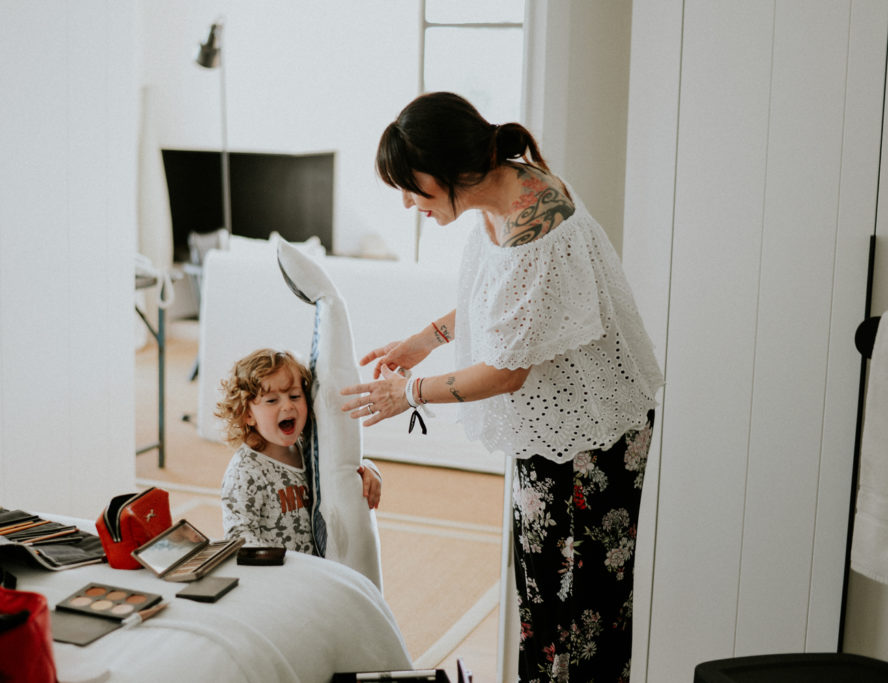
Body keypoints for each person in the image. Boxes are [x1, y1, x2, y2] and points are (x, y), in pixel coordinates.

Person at [340, 92, 664, 682]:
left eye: (413, 187)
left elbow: (506, 370)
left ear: (452, 171)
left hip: (594, 430)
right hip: (555, 422)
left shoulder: (537, 227)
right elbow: (505, 305)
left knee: (584, 609)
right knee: (541, 595)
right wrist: (424, 339)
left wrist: (406, 394)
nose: (410, 202)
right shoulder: (506, 190)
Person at [216, 348, 382, 553]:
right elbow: (238, 537)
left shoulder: (310, 447)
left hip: (321, 570)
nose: (287, 406)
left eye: (294, 396)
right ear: (248, 414)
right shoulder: (244, 472)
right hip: (282, 576)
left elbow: (343, 463)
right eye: (272, 400)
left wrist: (367, 469)